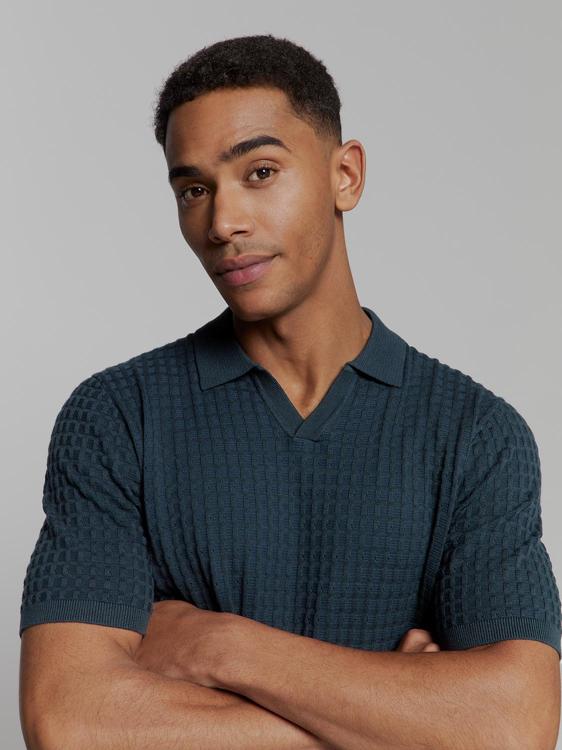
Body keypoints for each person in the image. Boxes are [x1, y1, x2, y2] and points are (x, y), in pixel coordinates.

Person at [19, 34, 561, 750]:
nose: (223, 223)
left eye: (261, 172)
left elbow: (515, 728)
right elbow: (69, 722)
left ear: (346, 176)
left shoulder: (474, 435)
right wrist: (402, 719)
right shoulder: (119, 419)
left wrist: (220, 648)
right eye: (193, 190)